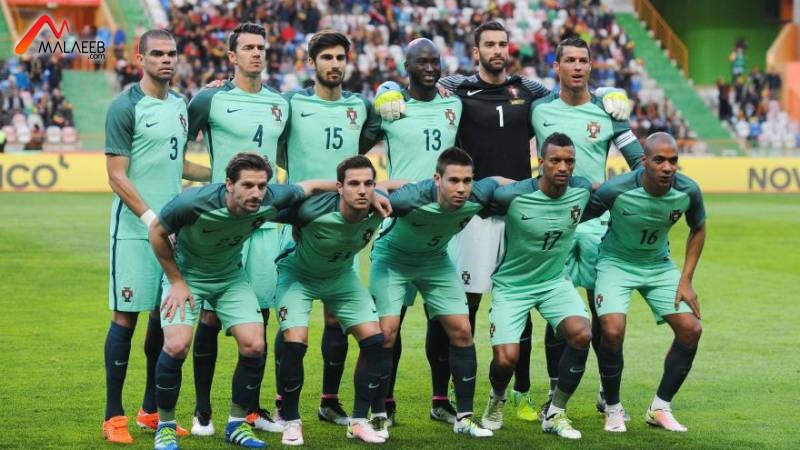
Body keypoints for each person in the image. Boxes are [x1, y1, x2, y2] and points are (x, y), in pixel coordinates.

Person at [377, 21, 631, 420]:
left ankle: (521, 393)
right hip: (472, 213)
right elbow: (418, 82)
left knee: (521, 302)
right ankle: (443, 397)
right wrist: (386, 88)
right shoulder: (457, 88)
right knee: (460, 307)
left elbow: (571, 91)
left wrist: (606, 93)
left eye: (503, 44)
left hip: (519, 213)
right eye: (489, 44)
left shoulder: (529, 91)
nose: (498, 50)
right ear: (476, 51)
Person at [148, 152, 352, 450]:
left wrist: (359, 192)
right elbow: (156, 231)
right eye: (247, 185)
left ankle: (237, 424)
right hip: (187, 277)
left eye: (261, 186)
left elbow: (309, 186)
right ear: (229, 184)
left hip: (230, 277)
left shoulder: (272, 198)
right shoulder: (193, 202)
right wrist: (177, 281)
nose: (256, 193)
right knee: (177, 345)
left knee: (255, 344)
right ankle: (165, 426)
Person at [101, 29, 209, 445]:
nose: (166, 60)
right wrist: (150, 219)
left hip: (173, 231)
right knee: (125, 318)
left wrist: (218, 175)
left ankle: (150, 411)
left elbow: (176, 163)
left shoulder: (180, 105)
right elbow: (116, 175)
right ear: (140, 58)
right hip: (134, 232)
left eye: (172, 53)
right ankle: (113, 415)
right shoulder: (125, 106)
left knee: (163, 319)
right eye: (158, 54)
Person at [530, 36, 643, 415]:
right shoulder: (539, 108)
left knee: (604, 314)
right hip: (554, 222)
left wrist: (612, 192)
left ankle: (608, 393)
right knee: (557, 313)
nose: (577, 67)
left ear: (591, 66)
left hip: (597, 224)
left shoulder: (608, 110)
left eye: (583, 60)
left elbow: (639, 163)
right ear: (556, 66)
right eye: (570, 60)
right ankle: (554, 392)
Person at [275, 30, 382, 427]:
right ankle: (283, 405)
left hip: (343, 225)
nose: (334, 64)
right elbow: (275, 143)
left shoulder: (360, 106)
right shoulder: (292, 103)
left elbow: (369, 141)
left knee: (338, 317)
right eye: (326, 57)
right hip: (300, 222)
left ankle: (329, 401)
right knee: (290, 320)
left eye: (340, 58)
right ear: (311, 62)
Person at [186, 22, 288, 436]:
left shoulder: (281, 102)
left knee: (259, 317)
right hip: (221, 223)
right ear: (232, 56)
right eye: (248, 47)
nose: (256, 53)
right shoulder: (209, 98)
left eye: (261, 47)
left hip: (263, 225)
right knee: (211, 317)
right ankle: (202, 411)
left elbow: (291, 152)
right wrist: (209, 179)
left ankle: (249, 409)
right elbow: (175, 146)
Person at [372, 148, 505, 438]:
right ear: (437, 179)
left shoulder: (478, 195)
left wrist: (537, 184)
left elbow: (498, 181)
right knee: (387, 332)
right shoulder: (411, 198)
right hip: (393, 259)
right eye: (453, 180)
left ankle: (464, 418)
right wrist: (378, 192)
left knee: (462, 330)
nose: (461, 188)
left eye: (467, 180)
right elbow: (381, 188)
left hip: (434, 260)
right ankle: (378, 415)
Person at [585, 132, 706, 433]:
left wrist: (686, 280)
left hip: (658, 264)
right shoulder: (616, 189)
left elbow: (698, 228)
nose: (667, 167)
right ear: (644, 161)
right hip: (615, 263)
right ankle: (613, 408)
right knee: (612, 330)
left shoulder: (688, 190)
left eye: (673, 161)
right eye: (659, 160)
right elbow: (576, 214)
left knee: (691, 330)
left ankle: (660, 408)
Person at [372, 38, 463, 424]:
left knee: (441, 320)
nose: (429, 68)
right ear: (405, 67)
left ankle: (440, 400)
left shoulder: (454, 105)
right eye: (421, 62)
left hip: (443, 231)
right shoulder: (390, 108)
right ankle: (385, 403)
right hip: (400, 225)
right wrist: (384, 89)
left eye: (434, 61)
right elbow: (359, 143)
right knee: (390, 323)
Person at [479, 133, 593, 440]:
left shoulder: (581, 191)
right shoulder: (514, 196)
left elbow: (610, 193)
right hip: (512, 285)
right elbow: (478, 198)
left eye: (569, 161)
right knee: (506, 359)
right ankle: (497, 399)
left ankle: (555, 412)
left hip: (554, 282)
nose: (562, 167)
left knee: (582, 333)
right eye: (555, 160)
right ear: (540, 162)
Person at [274, 156, 390, 445]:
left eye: (368, 184)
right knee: (295, 342)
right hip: (298, 275)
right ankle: (290, 421)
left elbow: (417, 190)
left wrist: (382, 191)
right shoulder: (310, 210)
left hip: (340, 277)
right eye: (354, 184)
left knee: (375, 340)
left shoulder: (382, 206)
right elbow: (258, 207)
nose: (362, 190)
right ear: (339, 187)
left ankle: (359, 422)